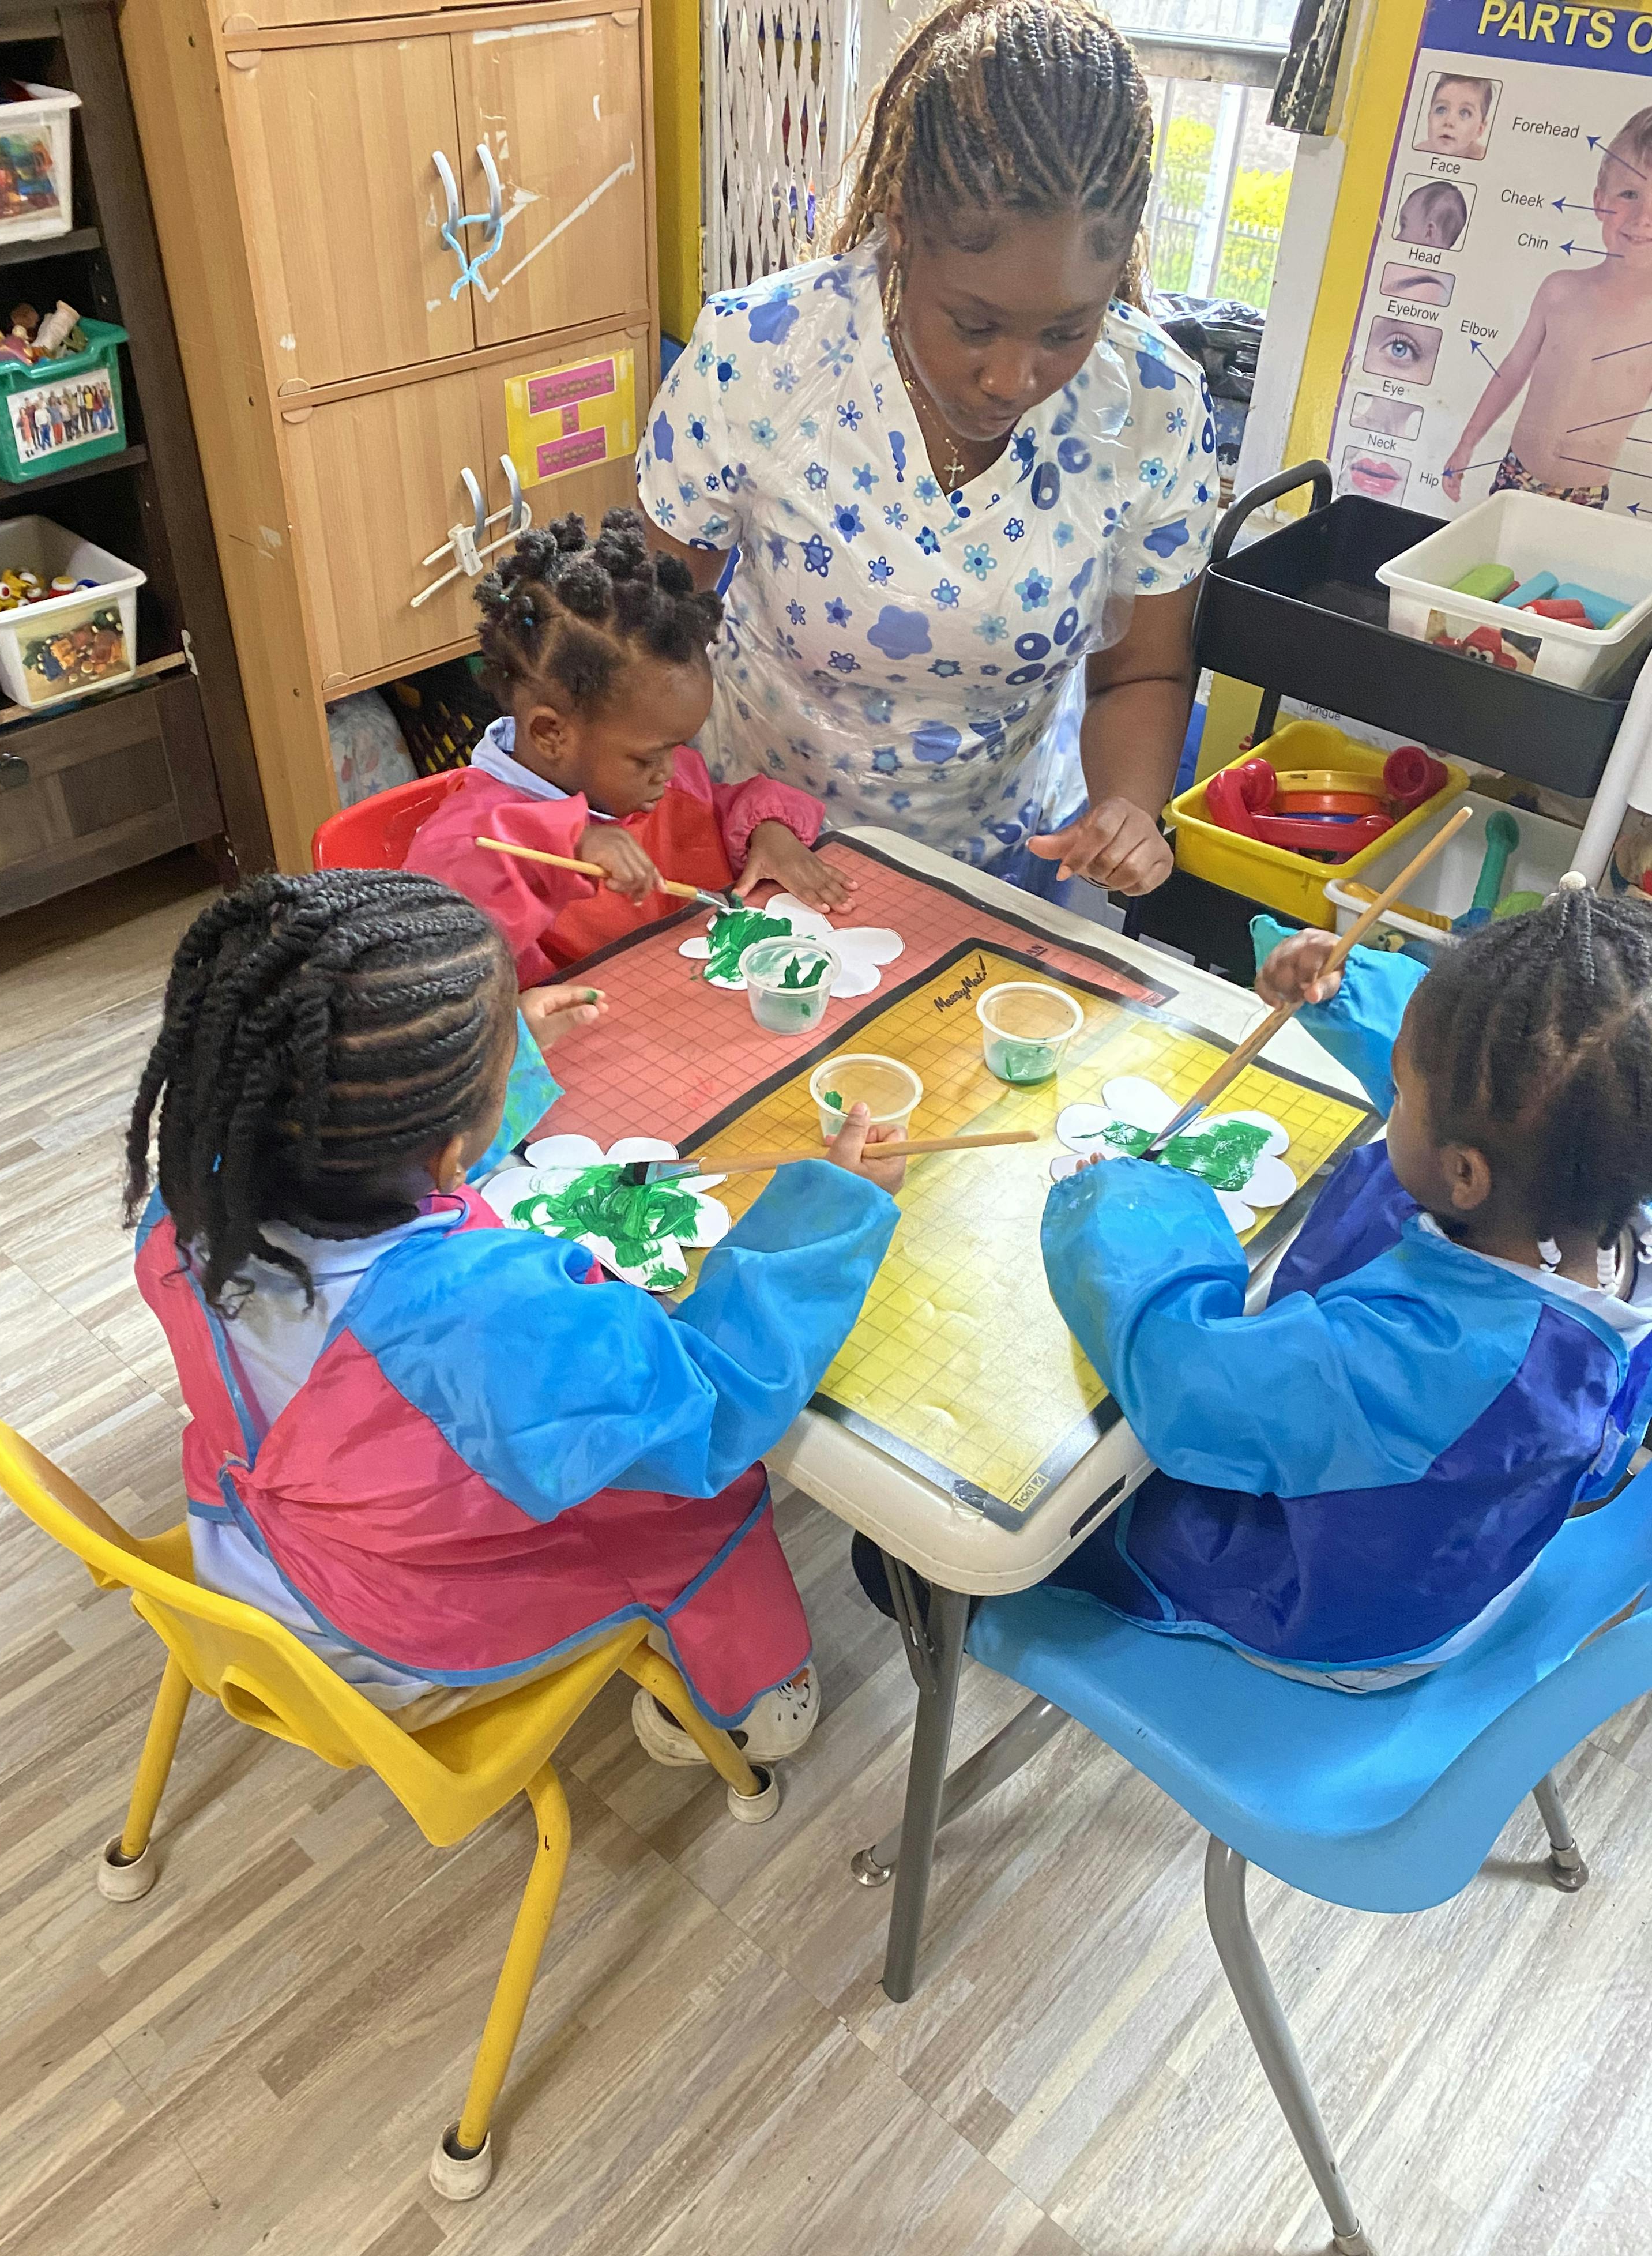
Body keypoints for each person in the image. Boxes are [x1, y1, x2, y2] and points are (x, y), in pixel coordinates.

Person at [127, 870, 904, 1755]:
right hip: (390, 1632)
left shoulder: (195, 1203)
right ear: (450, 1148)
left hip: (243, 1544)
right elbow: (713, 1410)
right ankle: (753, 1701)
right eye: (494, 1075)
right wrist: (827, 1214)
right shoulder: (486, 1320)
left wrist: (491, 1062)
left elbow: (380, 1162)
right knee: (701, 1504)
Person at [859, 888, 1652, 1689]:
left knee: (914, 1549)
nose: (1394, 1096)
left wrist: (1129, 1222)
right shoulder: (1590, 1185)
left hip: (1336, 1603)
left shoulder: (1429, 1361)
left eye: (1403, 1089)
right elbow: (1497, 1100)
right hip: (1465, 1536)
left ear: (1466, 1173)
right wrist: (1351, 993)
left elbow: (1187, 1387)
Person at [635, 0, 1217, 897]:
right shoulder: (759, 358)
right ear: (902, 226)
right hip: (760, 846)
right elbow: (649, 635)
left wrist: (1128, 810)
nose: (1011, 379)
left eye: (1067, 331)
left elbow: (1141, 671)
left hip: (1000, 866)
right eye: (974, 325)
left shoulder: (1154, 406)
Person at [403, 511, 852, 984]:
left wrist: (768, 832)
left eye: (677, 748)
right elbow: (439, 950)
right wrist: (571, 842)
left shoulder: (649, 776)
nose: (670, 771)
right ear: (551, 734)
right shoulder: (473, 838)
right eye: (648, 758)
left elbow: (716, 811)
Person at [1443, 107, 1652, 507]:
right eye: (1630, 194)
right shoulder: (1560, 291)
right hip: (1516, 474)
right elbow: (1513, 369)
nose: (1644, 218)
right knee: (1493, 551)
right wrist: (1467, 443)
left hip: (1584, 497)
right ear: (1599, 201)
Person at [1415, 70, 1492, 161]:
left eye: (1465, 113)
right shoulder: (1418, 153)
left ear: (1479, 130)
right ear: (1429, 119)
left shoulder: (1485, 160)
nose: (1449, 121)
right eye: (1441, 110)